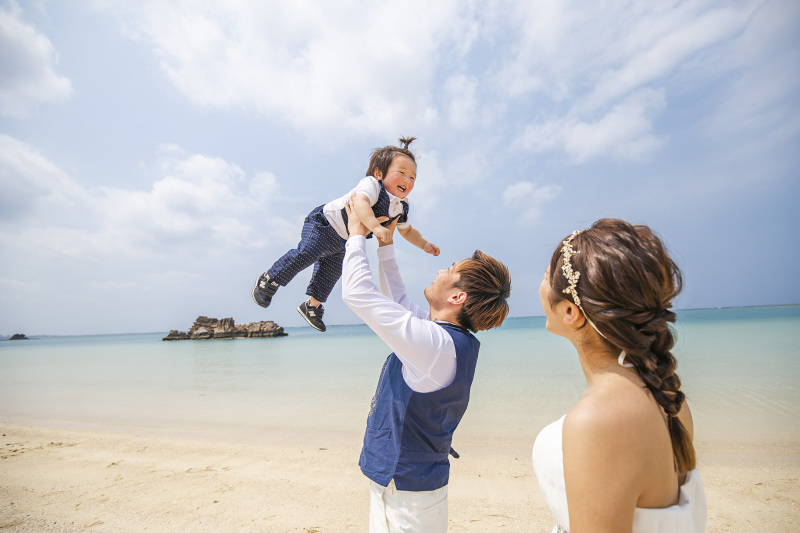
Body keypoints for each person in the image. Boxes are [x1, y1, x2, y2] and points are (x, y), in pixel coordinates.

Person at [341, 198, 511, 532]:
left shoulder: (434, 346)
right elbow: (399, 302)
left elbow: (357, 295)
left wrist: (355, 237)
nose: (439, 271)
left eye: (449, 270)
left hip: (408, 495)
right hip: (413, 488)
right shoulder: (444, 339)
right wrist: (385, 246)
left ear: (457, 297)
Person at [532, 219, 707, 533]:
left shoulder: (600, 421)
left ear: (571, 313)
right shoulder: (666, 397)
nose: (540, 283)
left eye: (546, 276)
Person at [252, 137, 439, 332]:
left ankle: (311, 306)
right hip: (324, 225)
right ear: (378, 173)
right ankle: (269, 278)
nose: (407, 180)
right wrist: (375, 227)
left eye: (412, 177)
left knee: (331, 273)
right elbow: (360, 204)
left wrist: (424, 244)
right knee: (307, 253)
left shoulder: (400, 205)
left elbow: (407, 230)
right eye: (401, 173)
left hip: (345, 240)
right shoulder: (372, 185)